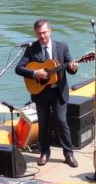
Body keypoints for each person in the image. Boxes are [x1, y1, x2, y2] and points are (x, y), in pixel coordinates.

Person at [15, 19, 79, 167]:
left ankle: (68, 153)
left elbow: (69, 68)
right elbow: (19, 68)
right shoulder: (32, 49)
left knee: (61, 121)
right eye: (39, 34)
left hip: (58, 92)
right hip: (41, 93)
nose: (42, 36)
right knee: (43, 123)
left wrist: (74, 67)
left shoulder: (62, 46)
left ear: (50, 31)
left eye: (44, 32)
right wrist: (35, 73)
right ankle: (45, 152)